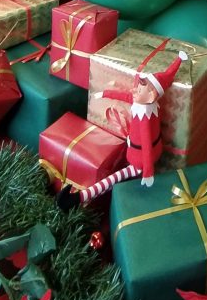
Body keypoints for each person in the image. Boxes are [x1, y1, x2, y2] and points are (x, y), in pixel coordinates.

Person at [58, 51, 187, 209]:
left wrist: (147, 171)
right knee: (119, 177)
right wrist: (104, 93)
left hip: (140, 159)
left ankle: (81, 197)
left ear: (151, 96)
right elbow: (125, 95)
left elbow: (146, 144)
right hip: (141, 152)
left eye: (139, 90)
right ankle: (80, 197)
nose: (134, 91)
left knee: (114, 179)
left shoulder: (146, 117)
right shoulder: (143, 105)